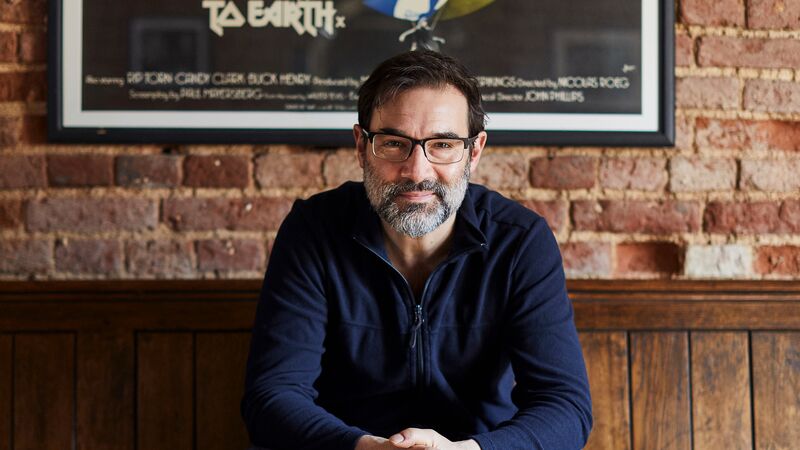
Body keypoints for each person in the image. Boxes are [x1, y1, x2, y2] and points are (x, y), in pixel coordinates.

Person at [241, 50, 592, 450]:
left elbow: (565, 406)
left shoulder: (520, 241)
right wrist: (363, 447)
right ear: (361, 146)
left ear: (473, 151)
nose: (417, 171)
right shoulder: (314, 231)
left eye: (442, 144)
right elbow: (272, 395)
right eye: (394, 144)